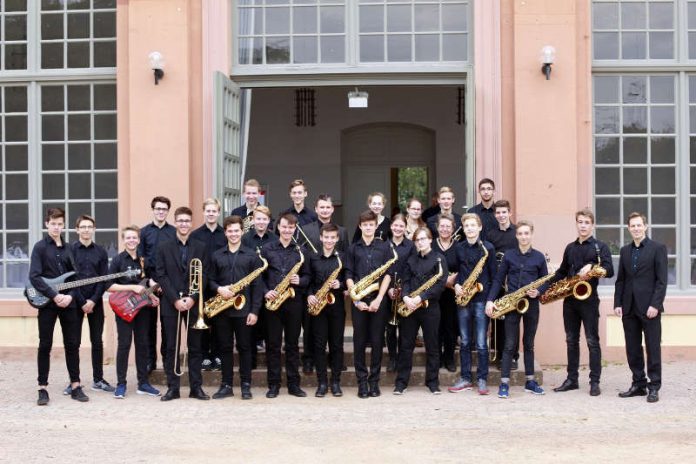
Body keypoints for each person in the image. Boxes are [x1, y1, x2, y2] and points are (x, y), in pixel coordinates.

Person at [551, 208, 614, 397]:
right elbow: (561, 272)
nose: (583, 226)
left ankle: (595, 382)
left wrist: (594, 267)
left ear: (592, 225)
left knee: (592, 341)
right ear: (576, 224)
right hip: (570, 301)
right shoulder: (570, 248)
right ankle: (572, 380)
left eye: (587, 222)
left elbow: (610, 270)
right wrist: (545, 285)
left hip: (589, 301)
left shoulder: (600, 247)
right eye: (580, 222)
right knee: (571, 341)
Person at [486, 219, 548, 399]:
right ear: (516, 235)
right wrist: (490, 300)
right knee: (509, 345)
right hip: (512, 304)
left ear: (531, 235)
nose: (523, 237)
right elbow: (498, 280)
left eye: (526, 233)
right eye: (520, 233)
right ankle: (504, 383)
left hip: (532, 304)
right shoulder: (509, 256)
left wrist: (539, 291)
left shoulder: (538, 257)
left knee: (528, 344)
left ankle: (530, 381)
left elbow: (545, 280)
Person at [31, 208, 88, 405]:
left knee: (72, 345)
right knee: (44, 344)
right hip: (47, 303)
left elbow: (76, 277)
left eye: (60, 224)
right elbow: (34, 278)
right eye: (53, 223)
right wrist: (55, 296)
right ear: (47, 224)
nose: (56, 227)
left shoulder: (69, 248)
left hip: (69, 303)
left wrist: (70, 297)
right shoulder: (39, 247)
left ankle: (75, 385)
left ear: (64, 225)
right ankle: (42, 388)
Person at [156, 206, 210, 401]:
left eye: (187, 221)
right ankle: (173, 388)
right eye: (180, 221)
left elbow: (203, 275)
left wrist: (192, 297)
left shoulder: (201, 247)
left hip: (193, 303)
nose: (184, 224)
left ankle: (196, 387)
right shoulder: (163, 246)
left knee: (195, 347)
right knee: (171, 347)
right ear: (175, 222)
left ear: (191, 223)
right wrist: (175, 299)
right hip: (171, 303)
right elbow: (161, 274)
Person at [208, 215, 264, 400]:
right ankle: (226, 385)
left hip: (244, 310)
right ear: (225, 232)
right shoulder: (216, 255)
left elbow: (257, 286)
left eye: (236, 231)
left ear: (242, 231)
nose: (233, 234)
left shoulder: (251, 256)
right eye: (230, 231)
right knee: (224, 348)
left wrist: (255, 311)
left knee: (245, 348)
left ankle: (246, 385)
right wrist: (219, 289)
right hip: (222, 310)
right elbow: (209, 280)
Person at [614, 212, 667, 403]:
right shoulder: (625, 251)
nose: (636, 229)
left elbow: (662, 281)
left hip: (650, 308)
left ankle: (654, 386)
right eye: (632, 226)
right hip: (628, 307)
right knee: (633, 348)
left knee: (652, 348)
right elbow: (621, 280)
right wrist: (617, 303)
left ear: (645, 226)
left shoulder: (657, 248)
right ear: (628, 228)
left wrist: (655, 304)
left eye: (639, 225)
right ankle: (638, 384)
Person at [107, 225, 161, 399]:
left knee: (143, 344)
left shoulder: (144, 260)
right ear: (124, 240)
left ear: (139, 240)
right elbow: (110, 286)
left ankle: (143, 383)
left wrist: (152, 294)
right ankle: (121, 384)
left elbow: (148, 283)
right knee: (124, 345)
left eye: (134, 238)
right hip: (124, 309)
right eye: (128, 238)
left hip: (143, 309)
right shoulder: (117, 260)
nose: (131, 240)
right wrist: (133, 287)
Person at [261, 213, 311, 398]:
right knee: (273, 345)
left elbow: (308, 277)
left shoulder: (301, 251)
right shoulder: (266, 250)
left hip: (293, 302)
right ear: (278, 227)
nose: (287, 230)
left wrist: (301, 280)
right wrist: (266, 291)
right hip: (273, 302)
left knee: (292, 345)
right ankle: (273, 384)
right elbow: (260, 276)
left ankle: (293, 384)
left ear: (294, 229)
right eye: (284, 227)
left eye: (291, 227)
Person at [393, 227, 447, 395]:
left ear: (430, 240)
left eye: (424, 239)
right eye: (417, 240)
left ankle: (432, 382)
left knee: (432, 346)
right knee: (406, 346)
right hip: (410, 307)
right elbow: (406, 281)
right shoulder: (410, 260)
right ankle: (401, 382)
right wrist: (407, 297)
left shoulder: (439, 259)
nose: (421, 242)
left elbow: (440, 285)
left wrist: (421, 297)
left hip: (430, 308)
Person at [345, 210, 393, 398]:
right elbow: (348, 275)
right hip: (359, 301)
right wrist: (356, 299)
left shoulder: (384, 247)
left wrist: (380, 299)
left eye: (371, 224)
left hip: (378, 299)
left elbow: (388, 274)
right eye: (364, 225)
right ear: (360, 226)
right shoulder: (353, 248)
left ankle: (374, 382)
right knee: (358, 342)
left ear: (375, 226)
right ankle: (362, 382)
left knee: (377, 341)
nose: (368, 227)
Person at [300, 193, 349, 374]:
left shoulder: (341, 231)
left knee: (335, 332)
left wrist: (343, 284)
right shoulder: (306, 229)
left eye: (328, 207)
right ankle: (308, 359)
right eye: (322, 207)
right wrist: (309, 291)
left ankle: (336, 361)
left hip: (333, 289)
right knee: (310, 327)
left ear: (332, 208)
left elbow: (345, 258)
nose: (325, 210)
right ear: (316, 209)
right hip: (314, 283)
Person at [449, 214, 496, 395]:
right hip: (464, 299)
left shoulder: (488, 248)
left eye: (472, 225)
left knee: (482, 343)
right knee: (465, 341)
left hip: (481, 299)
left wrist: (490, 300)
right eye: (466, 225)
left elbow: (495, 277)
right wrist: (457, 285)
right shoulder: (458, 248)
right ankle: (466, 378)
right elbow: (456, 272)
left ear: (479, 227)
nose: (469, 228)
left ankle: (482, 379)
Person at [68, 215, 113, 394]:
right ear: (77, 230)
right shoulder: (69, 250)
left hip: (96, 302)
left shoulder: (101, 252)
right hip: (75, 302)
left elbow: (103, 279)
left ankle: (98, 379)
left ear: (93, 229)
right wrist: (81, 301)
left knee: (97, 341)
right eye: (83, 227)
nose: (86, 230)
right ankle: (74, 381)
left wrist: (93, 300)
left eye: (89, 227)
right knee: (74, 343)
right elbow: (70, 278)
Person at [307, 223, 346, 397]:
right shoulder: (313, 257)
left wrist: (341, 284)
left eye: (333, 237)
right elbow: (308, 280)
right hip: (318, 307)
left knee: (337, 345)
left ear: (337, 238)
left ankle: (335, 382)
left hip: (336, 306)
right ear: (321, 238)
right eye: (326, 237)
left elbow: (349, 278)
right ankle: (322, 382)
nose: (329, 240)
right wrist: (309, 295)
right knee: (319, 345)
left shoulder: (342, 257)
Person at [139, 196, 176, 373]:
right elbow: (140, 260)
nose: (161, 211)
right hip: (150, 283)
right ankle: (150, 361)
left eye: (164, 209)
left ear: (168, 211)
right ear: (153, 210)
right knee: (149, 325)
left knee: (167, 324)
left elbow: (176, 260)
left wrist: (165, 283)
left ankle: (167, 361)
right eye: (158, 208)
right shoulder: (144, 232)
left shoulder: (173, 232)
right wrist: (150, 281)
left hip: (168, 284)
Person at [190, 198, 227, 372]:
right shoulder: (195, 235)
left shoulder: (224, 234)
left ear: (218, 213)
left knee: (219, 322)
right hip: (202, 284)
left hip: (219, 283)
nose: (211, 214)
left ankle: (217, 355)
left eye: (214, 211)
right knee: (202, 320)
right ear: (203, 212)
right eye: (208, 211)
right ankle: (204, 356)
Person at [241, 205, 278, 366]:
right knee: (250, 329)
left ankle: (271, 362)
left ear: (269, 221)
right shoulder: (245, 239)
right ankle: (251, 362)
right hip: (250, 289)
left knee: (270, 328)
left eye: (264, 219)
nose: (261, 222)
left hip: (270, 288)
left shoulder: (275, 239)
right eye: (258, 219)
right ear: (253, 220)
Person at [485, 199, 519, 368]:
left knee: (512, 320)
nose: (501, 215)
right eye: (498, 212)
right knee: (498, 319)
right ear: (495, 214)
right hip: (497, 281)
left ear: (509, 213)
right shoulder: (490, 234)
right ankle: (499, 354)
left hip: (513, 282)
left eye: (504, 212)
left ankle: (513, 356)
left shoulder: (517, 233)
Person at [385, 214, 415, 373]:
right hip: (388, 291)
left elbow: (413, 269)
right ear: (391, 227)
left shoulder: (411, 246)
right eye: (395, 225)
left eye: (401, 226)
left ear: (405, 228)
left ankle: (403, 360)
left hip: (405, 291)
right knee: (390, 328)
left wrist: (402, 290)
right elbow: (381, 270)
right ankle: (392, 358)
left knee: (405, 328)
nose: (398, 228)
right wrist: (389, 288)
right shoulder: (384, 246)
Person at [432, 214, 460, 372]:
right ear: (437, 228)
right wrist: (444, 280)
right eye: (442, 226)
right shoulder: (431, 245)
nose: (444, 229)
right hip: (434, 293)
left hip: (452, 293)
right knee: (435, 327)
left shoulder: (459, 246)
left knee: (450, 327)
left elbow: (463, 267)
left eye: (448, 226)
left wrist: (454, 279)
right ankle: (436, 358)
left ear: (453, 228)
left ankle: (449, 358)